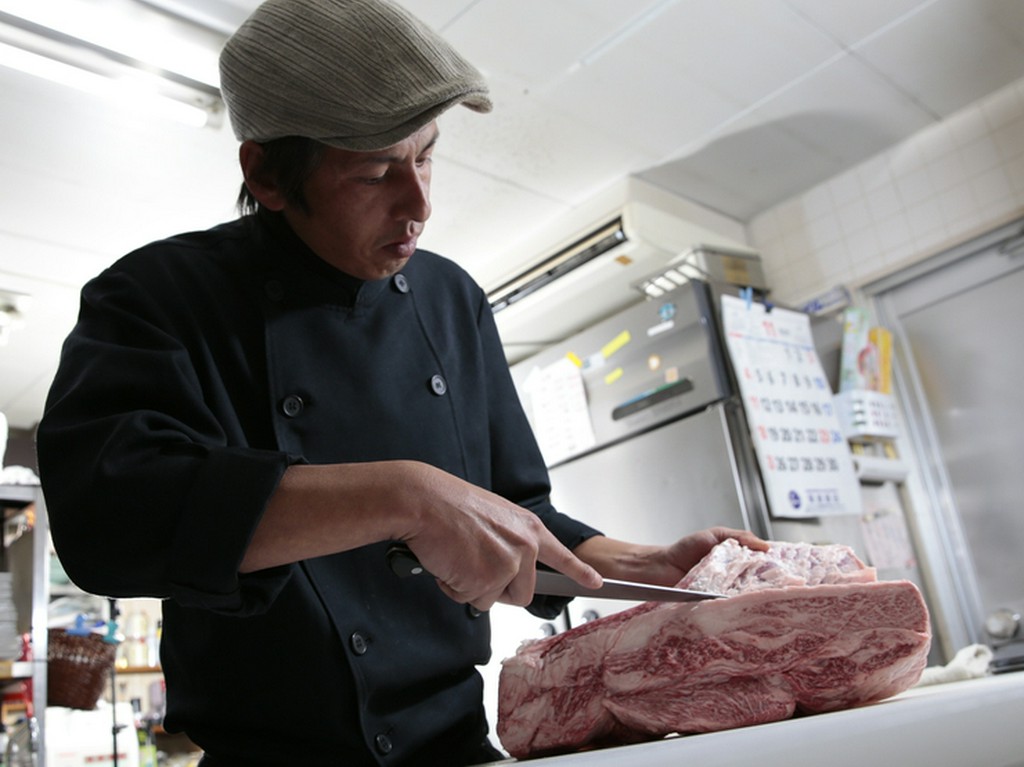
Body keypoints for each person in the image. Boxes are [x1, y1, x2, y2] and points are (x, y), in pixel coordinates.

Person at [36, 1, 766, 765]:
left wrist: (643, 566)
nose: (419, 204)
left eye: (426, 156)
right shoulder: (160, 295)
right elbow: (110, 517)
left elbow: (514, 510)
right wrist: (405, 496)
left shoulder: (452, 300)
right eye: (378, 171)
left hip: (456, 744)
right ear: (267, 175)